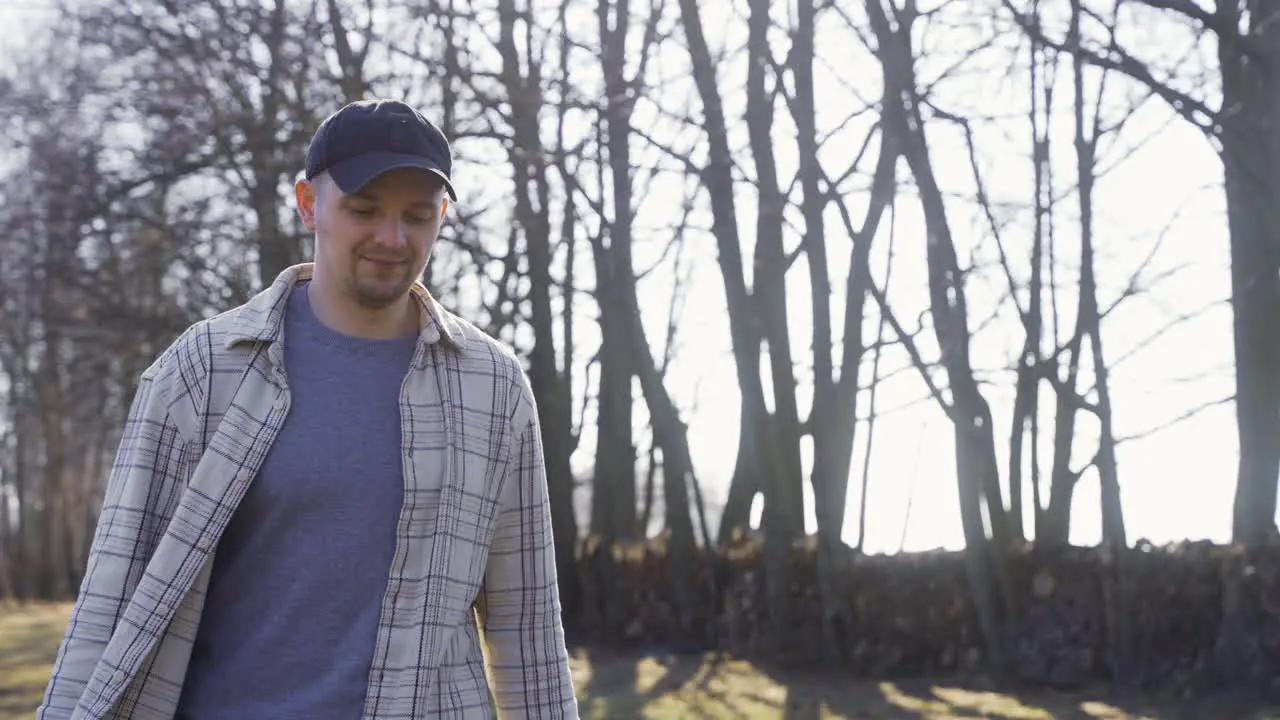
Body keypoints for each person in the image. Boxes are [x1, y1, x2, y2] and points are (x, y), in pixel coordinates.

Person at [37, 99, 579, 720]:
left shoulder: (493, 386)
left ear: (443, 218)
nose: (392, 238)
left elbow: (526, 621)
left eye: (417, 215)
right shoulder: (204, 369)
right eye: (364, 210)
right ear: (307, 203)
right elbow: (113, 593)